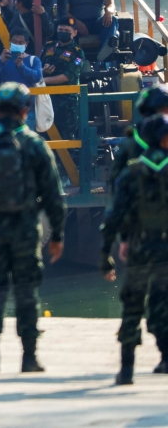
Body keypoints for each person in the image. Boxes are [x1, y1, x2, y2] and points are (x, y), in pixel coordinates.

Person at [0, 83, 66, 374]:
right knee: (27, 292)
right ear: (26, 111)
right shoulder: (34, 144)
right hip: (26, 226)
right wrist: (59, 235)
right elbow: (53, 193)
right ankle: (29, 357)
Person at [102, 114, 168, 385]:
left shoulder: (131, 172)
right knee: (163, 305)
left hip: (140, 247)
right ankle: (166, 359)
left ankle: (126, 368)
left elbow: (115, 215)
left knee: (132, 307)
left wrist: (106, 253)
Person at [41, 17, 85, 143]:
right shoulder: (49, 46)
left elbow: (67, 77)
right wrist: (43, 71)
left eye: (67, 30)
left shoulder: (78, 53)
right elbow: (38, 66)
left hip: (66, 104)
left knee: (65, 138)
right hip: (46, 100)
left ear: (74, 32)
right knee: (44, 136)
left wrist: (44, 80)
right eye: (60, 29)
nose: (63, 32)